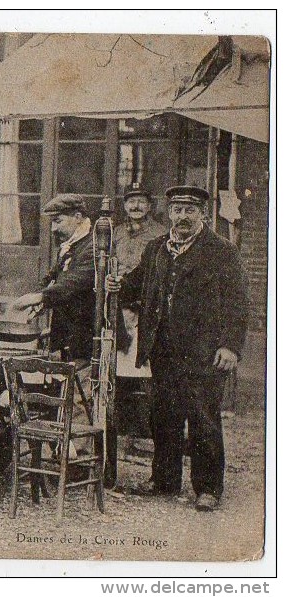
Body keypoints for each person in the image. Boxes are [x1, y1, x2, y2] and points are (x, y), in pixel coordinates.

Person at [107, 186, 249, 512]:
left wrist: (230, 346)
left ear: (201, 213)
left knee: (203, 418)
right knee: (164, 416)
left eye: (190, 210)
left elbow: (238, 303)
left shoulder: (220, 251)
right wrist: (120, 285)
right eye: (177, 210)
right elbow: (138, 285)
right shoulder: (157, 248)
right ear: (169, 213)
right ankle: (165, 480)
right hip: (163, 349)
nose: (182, 217)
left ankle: (208, 488)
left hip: (204, 352)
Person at [112, 188, 168, 441]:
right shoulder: (117, 233)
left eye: (141, 202)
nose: (136, 206)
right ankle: (123, 423)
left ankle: (146, 427)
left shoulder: (159, 234)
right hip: (120, 302)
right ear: (125, 206)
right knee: (120, 360)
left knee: (145, 365)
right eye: (131, 202)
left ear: (149, 206)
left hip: (146, 304)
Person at [13, 193, 95, 363]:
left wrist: (40, 297)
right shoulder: (71, 244)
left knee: (81, 385)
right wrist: (38, 300)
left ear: (78, 217)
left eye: (58, 221)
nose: (53, 229)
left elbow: (73, 282)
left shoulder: (93, 246)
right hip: (67, 333)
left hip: (86, 336)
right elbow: (52, 276)